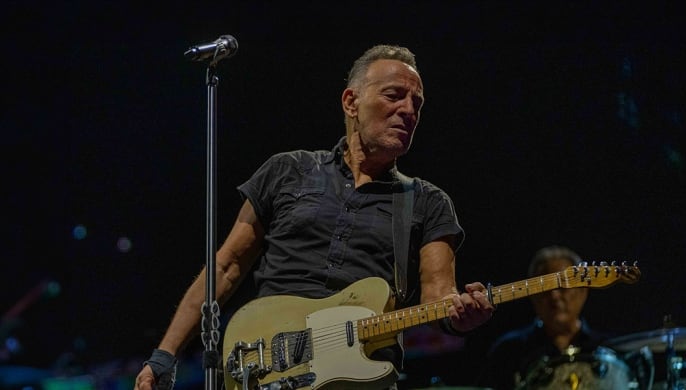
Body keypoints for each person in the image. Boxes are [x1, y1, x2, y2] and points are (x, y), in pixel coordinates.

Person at [134, 44, 494, 390]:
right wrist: (165, 355)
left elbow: (439, 298)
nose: (408, 110)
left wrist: (461, 316)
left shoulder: (428, 202)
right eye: (394, 95)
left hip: (358, 378)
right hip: (266, 367)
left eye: (417, 103)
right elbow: (226, 267)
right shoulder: (288, 170)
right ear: (351, 102)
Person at [475, 245, 628, 390]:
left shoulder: (610, 349)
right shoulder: (507, 350)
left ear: (583, 291)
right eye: (545, 289)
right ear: (531, 295)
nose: (554, 296)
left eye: (563, 287)